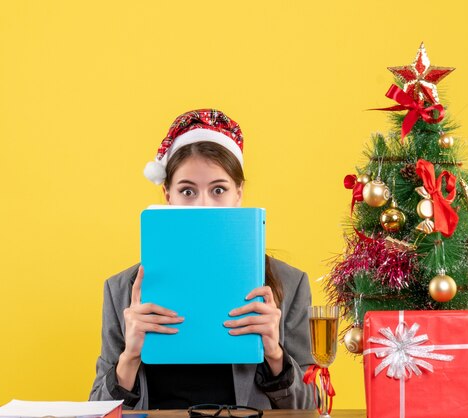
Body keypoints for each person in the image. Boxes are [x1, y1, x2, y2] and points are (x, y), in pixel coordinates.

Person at [89, 109, 315, 410]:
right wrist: (129, 358)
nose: (203, 204)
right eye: (187, 191)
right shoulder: (121, 290)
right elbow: (97, 409)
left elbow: (310, 408)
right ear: (168, 194)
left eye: (218, 189)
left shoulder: (290, 284)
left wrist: (275, 355)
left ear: (239, 194)